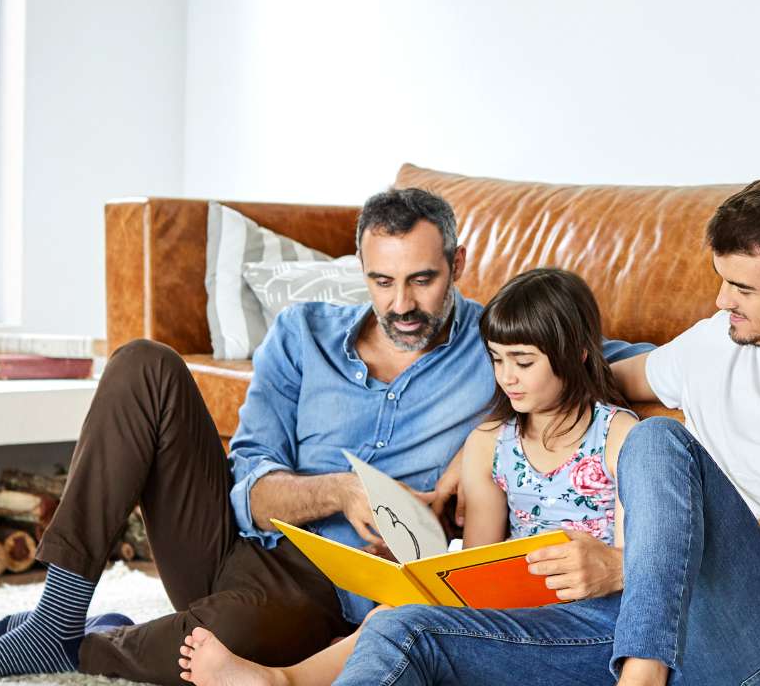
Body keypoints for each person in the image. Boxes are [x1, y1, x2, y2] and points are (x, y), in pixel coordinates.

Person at [315, 173, 760, 686]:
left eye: (741, 288)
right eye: (721, 279)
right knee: (403, 632)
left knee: (656, 440)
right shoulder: (717, 338)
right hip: (635, 614)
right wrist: (470, 456)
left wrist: (626, 563)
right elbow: (583, 373)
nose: (720, 299)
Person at [0, 187, 492, 683]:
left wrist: (474, 450)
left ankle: (85, 645)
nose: (402, 305)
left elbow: (568, 401)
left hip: (326, 594)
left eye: (422, 280)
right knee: (142, 364)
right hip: (233, 540)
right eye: (381, 281)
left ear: (457, 263)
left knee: (225, 645)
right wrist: (341, 491)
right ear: (361, 269)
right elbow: (251, 487)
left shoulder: (498, 347)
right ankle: (58, 615)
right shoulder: (302, 334)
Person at [177, 266, 639, 686]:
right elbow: (475, 568)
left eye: (523, 362)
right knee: (393, 615)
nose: (507, 378)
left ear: (577, 354)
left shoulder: (619, 435)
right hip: (515, 613)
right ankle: (284, 680)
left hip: (590, 623)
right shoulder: (490, 442)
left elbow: (635, 564)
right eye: (497, 360)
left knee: (405, 631)